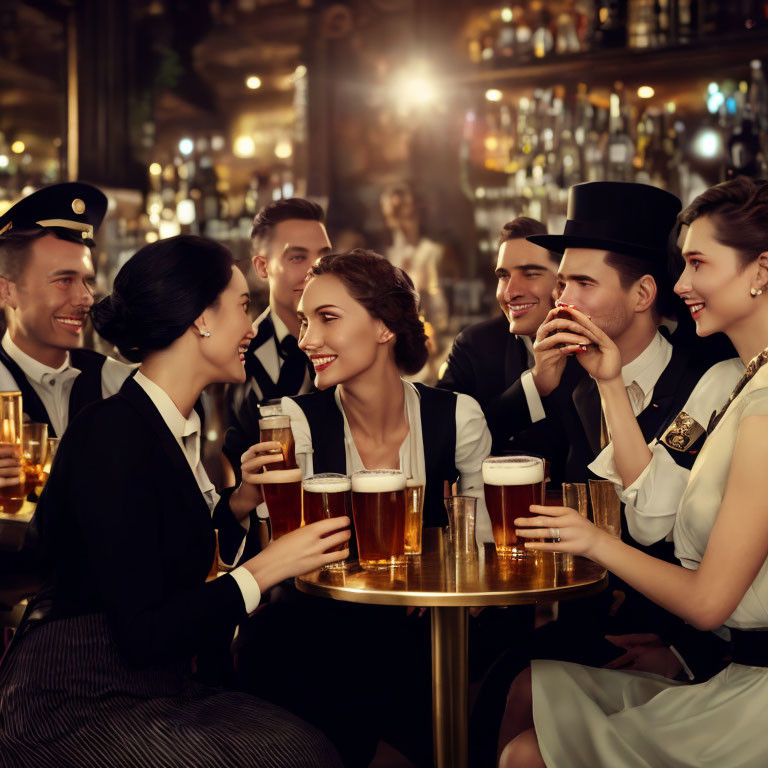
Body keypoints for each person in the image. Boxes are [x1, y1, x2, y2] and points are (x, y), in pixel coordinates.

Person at [0, 235, 347, 768]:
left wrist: (237, 505)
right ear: (200, 318)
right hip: (73, 694)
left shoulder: (170, 423)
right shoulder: (111, 431)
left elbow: (158, 550)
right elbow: (143, 629)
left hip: (151, 682)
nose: (251, 329)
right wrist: (267, 566)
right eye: (242, 307)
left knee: (316, 741)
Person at [500, 176, 768, 768]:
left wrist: (591, 538)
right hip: (732, 659)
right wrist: (610, 382)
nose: (682, 284)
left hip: (751, 684)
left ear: (761, 271)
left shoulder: (755, 400)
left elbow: (706, 603)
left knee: (525, 753)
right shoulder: (732, 381)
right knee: (529, 690)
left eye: (697, 263)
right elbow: (653, 520)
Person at [235, 249, 492, 767]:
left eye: (328, 319)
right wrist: (249, 497)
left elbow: (484, 548)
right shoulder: (295, 421)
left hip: (431, 629)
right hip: (327, 630)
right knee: (284, 638)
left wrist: (447, 587)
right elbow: (286, 552)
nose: (307, 340)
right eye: (305, 321)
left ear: (384, 327)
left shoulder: (456, 416)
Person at [0, 183, 134, 487]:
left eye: (87, 281)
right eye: (63, 281)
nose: (85, 298)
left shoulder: (118, 384)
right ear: (6, 291)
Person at [438, 216, 565, 470]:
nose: (510, 292)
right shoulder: (473, 346)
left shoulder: (597, 345)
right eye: (504, 276)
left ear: (562, 282)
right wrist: (534, 386)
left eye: (530, 274)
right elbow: (443, 443)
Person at [224, 197, 332, 480]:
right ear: (262, 267)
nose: (315, 269)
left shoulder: (353, 343)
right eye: (298, 257)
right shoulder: (238, 353)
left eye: (324, 256)